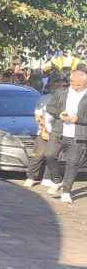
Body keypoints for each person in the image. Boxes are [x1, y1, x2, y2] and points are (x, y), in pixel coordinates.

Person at [44, 66, 87, 205]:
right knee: (49, 155)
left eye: (79, 85)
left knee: (72, 164)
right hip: (59, 132)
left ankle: (66, 192)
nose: (75, 86)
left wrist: (79, 119)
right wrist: (59, 114)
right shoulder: (61, 92)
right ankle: (57, 180)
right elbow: (50, 107)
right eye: (73, 83)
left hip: (78, 136)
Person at [25, 77, 64, 189]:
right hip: (44, 131)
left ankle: (47, 178)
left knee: (51, 156)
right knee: (38, 155)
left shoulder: (65, 99)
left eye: (62, 86)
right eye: (58, 86)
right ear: (52, 86)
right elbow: (38, 114)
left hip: (58, 132)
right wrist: (43, 128)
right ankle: (31, 177)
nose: (60, 88)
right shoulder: (45, 98)